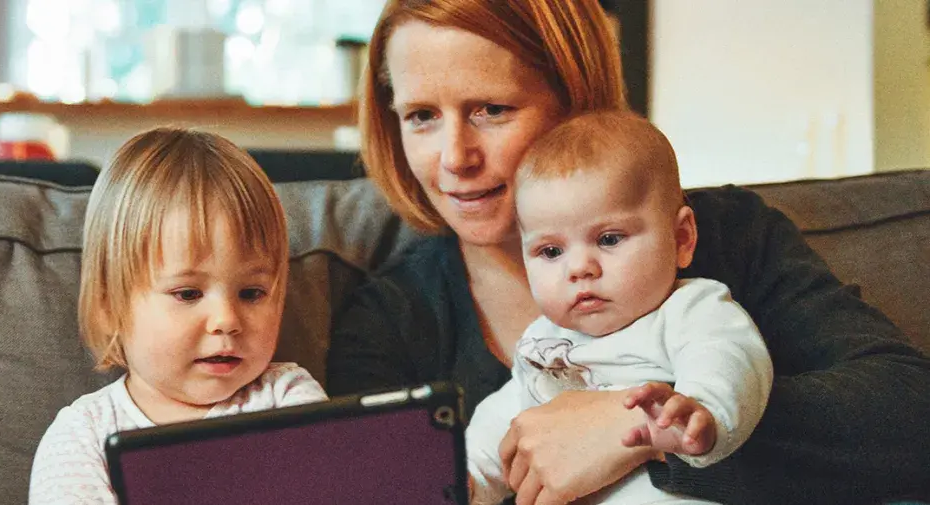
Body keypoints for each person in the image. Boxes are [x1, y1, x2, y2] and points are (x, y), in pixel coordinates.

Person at [326, 1, 930, 503]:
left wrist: (639, 430)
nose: (456, 157)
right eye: (422, 116)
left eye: (492, 110)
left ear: (576, 99)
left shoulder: (729, 237)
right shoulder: (387, 321)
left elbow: (911, 414)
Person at [465, 110, 773, 505]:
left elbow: (729, 359)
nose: (579, 268)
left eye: (609, 239)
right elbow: (505, 420)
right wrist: (467, 477)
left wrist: (702, 412)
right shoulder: (543, 341)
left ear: (681, 239)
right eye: (551, 251)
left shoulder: (689, 310)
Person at [28, 127, 328, 503]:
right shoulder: (84, 435)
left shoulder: (287, 399)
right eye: (188, 294)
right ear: (109, 307)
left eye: (251, 293)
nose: (226, 320)